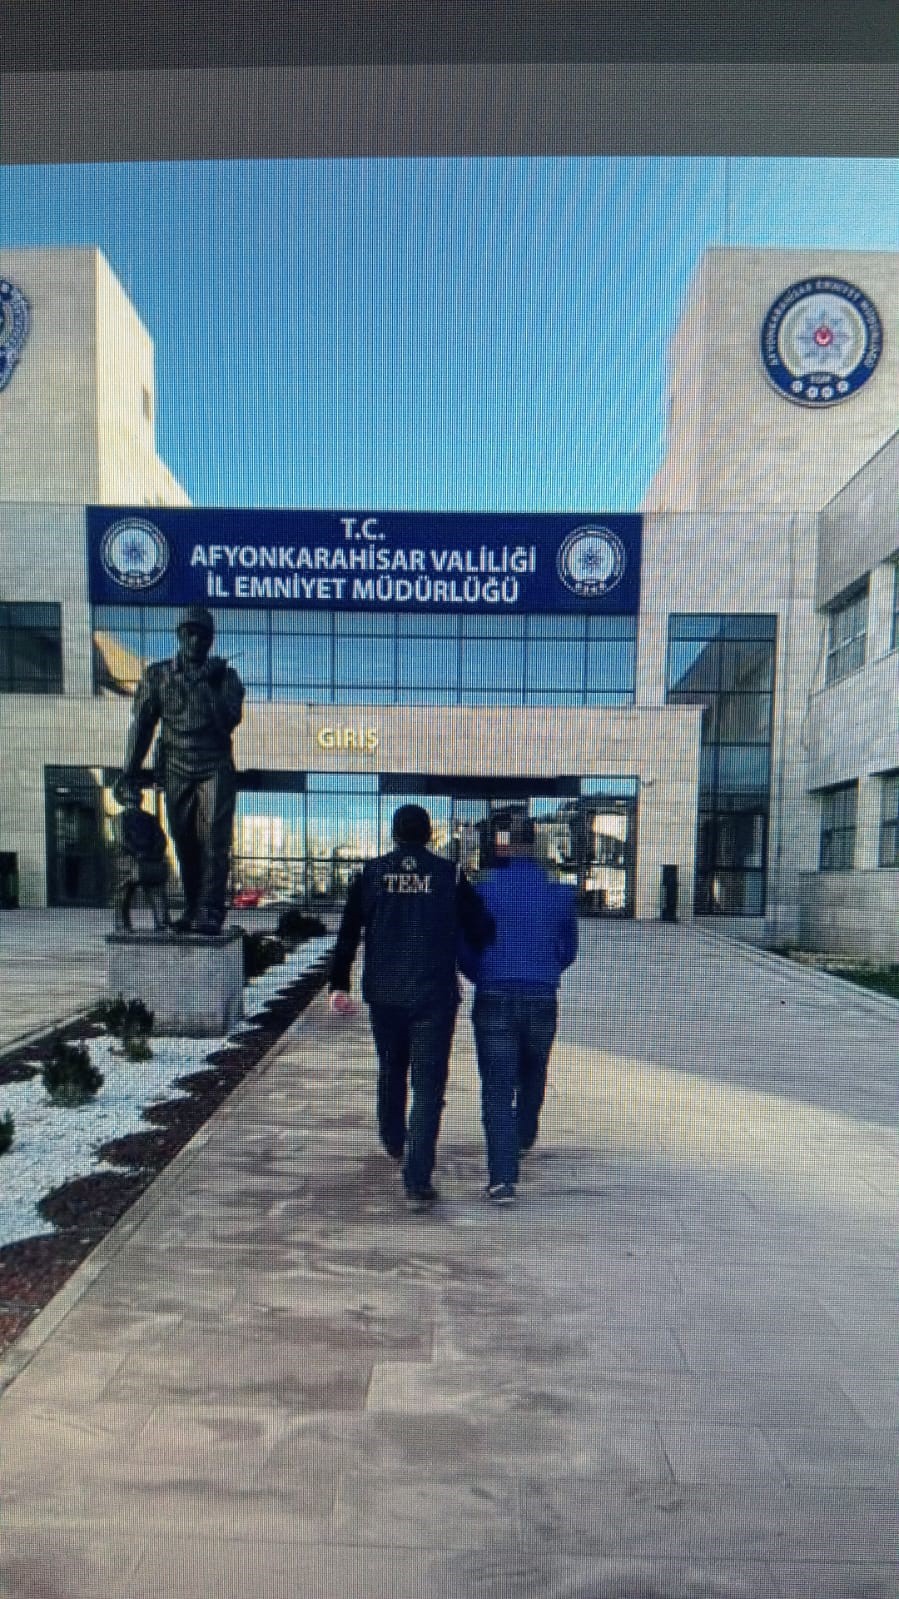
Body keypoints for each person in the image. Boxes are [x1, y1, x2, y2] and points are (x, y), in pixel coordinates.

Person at [329, 803, 494, 1211]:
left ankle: (392, 1140)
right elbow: (482, 929)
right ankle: (418, 1178)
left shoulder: (369, 874)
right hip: (434, 995)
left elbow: (348, 931)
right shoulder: (448, 875)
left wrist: (338, 984)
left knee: (391, 1067)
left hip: (384, 993)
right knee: (428, 1084)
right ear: (429, 835)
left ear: (394, 834)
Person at [460, 813, 578, 1204]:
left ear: (502, 846)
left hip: (494, 992)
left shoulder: (482, 890)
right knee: (534, 1071)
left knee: (496, 1088)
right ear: (538, 846)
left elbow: (465, 947)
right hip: (541, 994)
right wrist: (544, 970)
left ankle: (502, 1178)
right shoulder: (560, 893)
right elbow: (568, 951)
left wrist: (482, 974)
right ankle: (525, 1132)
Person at [116, 606, 244, 936]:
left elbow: (226, 724)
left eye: (202, 634)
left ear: (211, 640)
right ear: (179, 636)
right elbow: (142, 725)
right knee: (185, 841)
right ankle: (191, 907)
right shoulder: (157, 676)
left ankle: (211, 911)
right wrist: (129, 771)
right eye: (189, 633)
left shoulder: (227, 678)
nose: (195, 640)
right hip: (175, 767)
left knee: (215, 842)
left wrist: (212, 686)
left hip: (214, 764)